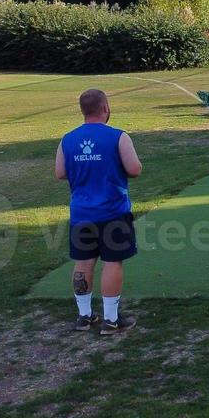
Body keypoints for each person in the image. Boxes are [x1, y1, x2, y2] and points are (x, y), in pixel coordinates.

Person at [55, 89, 142, 335]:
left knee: (83, 261)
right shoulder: (118, 137)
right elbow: (134, 169)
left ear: (83, 110)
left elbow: (60, 172)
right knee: (113, 262)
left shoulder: (67, 139)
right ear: (105, 108)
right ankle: (111, 320)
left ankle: (84, 316)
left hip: (81, 213)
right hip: (113, 212)